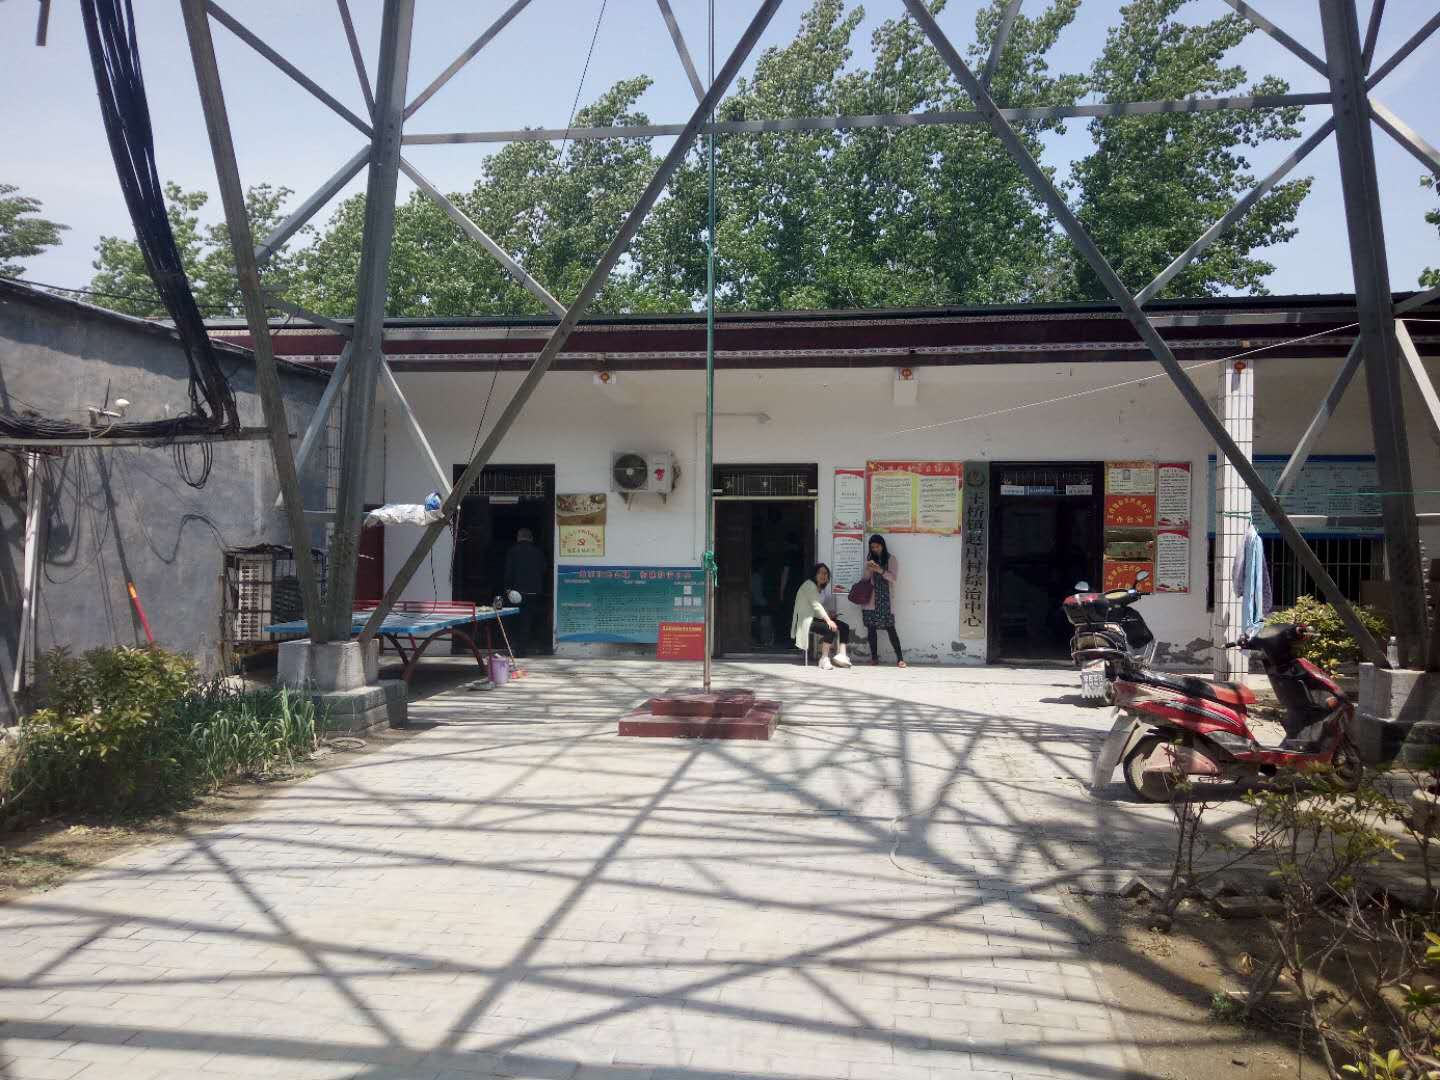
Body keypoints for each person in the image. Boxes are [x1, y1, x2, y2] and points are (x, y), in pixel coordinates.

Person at [791, 563, 852, 670]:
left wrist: (830, 616)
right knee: (830, 628)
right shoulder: (809, 585)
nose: (823, 575)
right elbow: (816, 605)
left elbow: (818, 609)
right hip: (806, 620)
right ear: (814, 574)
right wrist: (828, 620)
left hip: (816, 618)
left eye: (826, 573)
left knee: (844, 626)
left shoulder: (821, 589)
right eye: (820, 573)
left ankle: (842, 655)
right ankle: (824, 659)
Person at [858, 533, 905, 667]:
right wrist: (869, 569)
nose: (875, 550)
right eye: (872, 547)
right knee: (871, 629)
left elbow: (893, 578)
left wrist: (880, 570)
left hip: (885, 600)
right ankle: (874, 658)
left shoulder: (891, 559)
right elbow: (865, 579)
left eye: (877, 547)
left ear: (882, 546)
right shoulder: (870, 559)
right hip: (871, 601)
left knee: (890, 628)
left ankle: (900, 659)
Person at [503, 527, 546, 657]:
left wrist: (507, 588)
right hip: (534, 592)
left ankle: (516, 647)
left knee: (514, 620)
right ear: (531, 538)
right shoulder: (538, 552)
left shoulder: (513, 551)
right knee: (528, 620)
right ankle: (525, 648)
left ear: (518, 537)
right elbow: (543, 570)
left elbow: (509, 572)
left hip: (516, 592)